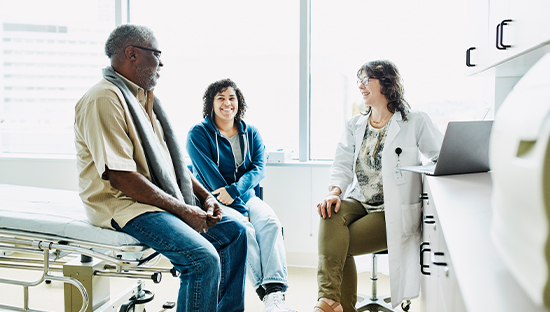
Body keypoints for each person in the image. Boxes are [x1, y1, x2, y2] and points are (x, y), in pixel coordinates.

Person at [74, 24, 247, 312]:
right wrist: (183, 210)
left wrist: (206, 197)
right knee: (201, 259)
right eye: (156, 54)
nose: (161, 62)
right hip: (125, 206)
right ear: (132, 54)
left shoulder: (146, 101)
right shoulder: (104, 99)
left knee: (235, 232)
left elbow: (172, 165)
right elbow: (121, 177)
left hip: (151, 199)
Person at [313, 60, 444, 312]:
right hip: (359, 200)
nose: (360, 86)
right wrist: (334, 192)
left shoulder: (414, 121)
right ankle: (330, 300)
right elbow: (341, 165)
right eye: (359, 81)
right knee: (329, 212)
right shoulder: (354, 125)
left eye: (366, 80)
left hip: (391, 209)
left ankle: (333, 306)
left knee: (339, 245)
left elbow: (441, 154)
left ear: (386, 83)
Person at [186, 78, 296, 312]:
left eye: (232, 98)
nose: (227, 103)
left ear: (239, 102)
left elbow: (259, 169)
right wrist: (239, 211)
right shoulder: (198, 134)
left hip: (245, 197)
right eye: (221, 98)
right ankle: (264, 290)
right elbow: (210, 178)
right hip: (213, 202)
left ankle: (275, 296)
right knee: (244, 230)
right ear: (211, 103)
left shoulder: (251, 133)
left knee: (270, 223)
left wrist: (237, 195)